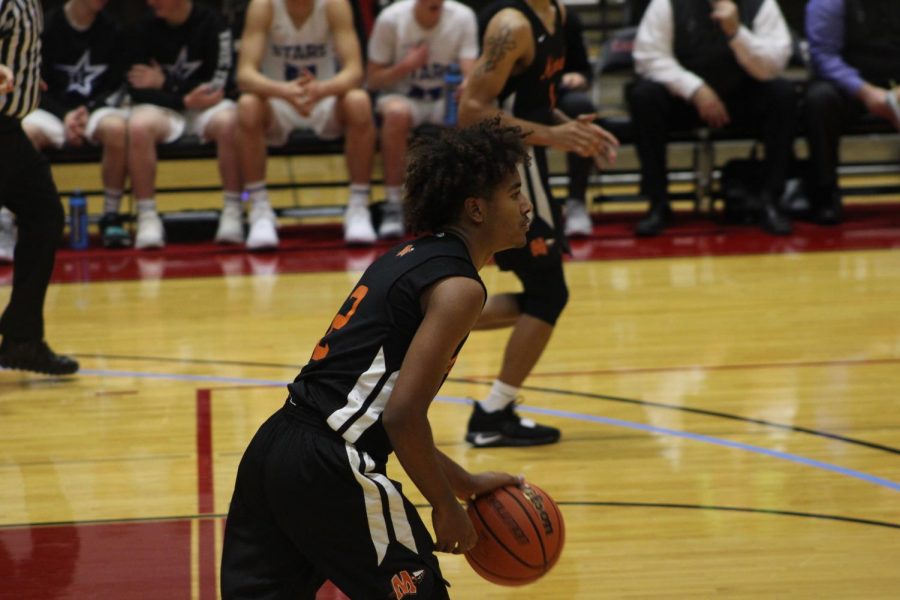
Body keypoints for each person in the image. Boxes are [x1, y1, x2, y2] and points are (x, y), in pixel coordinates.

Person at [221, 118, 526, 599]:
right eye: (514, 193)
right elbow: (403, 416)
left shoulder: (408, 254)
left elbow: (378, 415)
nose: (527, 206)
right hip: (331, 462)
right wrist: (446, 506)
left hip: (276, 448)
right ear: (476, 209)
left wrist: (464, 482)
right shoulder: (460, 288)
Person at [457, 0, 618, 447]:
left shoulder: (560, 15)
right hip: (503, 170)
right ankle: (492, 413)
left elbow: (533, 104)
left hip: (530, 165)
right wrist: (554, 135)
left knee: (545, 295)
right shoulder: (511, 25)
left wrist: (573, 128)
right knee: (549, 293)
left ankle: (426, 323)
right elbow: (471, 110)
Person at [627, 0, 795, 236]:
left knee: (783, 93)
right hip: (684, 100)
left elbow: (774, 65)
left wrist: (736, 32)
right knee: (643, 95)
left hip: (740, 98)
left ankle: (771, 201)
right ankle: (658, 203)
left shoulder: (761, 4)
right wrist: (696, 89)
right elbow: (648, 57)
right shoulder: (667, 4)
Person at [235, 0, 378, 246]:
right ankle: (260, 209)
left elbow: (355, 71)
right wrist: (284, 91)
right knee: (247, 105)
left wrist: (321, 89)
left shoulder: (335, 5)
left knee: (359, 101)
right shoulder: (263, 6)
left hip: (323, 97)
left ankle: (358, 206)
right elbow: (245, 74)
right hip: (279, 98)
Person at [0, 0, 79, 376]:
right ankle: (22, 337)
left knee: (45, 215)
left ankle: (22, 338)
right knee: (44, 215)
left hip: (8, 130)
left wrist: (29, 79)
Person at [126, 0, 243, 250]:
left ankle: (233, 211)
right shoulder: (143, 27)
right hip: (166, 108)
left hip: (206, 109)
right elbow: (137, 89)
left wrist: (165, 81)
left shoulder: (213, 23)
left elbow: (219, 84)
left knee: (230, 122)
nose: (151, 2)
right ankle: (147, 216)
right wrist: (181, 98)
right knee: (138, 126)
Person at [20, 0, 130, 250]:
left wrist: (86, 113)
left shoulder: (114, 29)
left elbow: (118, 85)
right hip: (51, 110)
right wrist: (65, 114)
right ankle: (33, 221)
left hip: (93, 111)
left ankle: (111, 216)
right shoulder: (45, 27)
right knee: (23, 134)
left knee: (117, 129)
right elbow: (33, 84)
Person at [366, 0, 479, 239]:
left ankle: (465, 203)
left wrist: (467, 84)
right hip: (403, 96)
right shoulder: (390, 19)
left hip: (444, 97)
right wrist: (406, 66)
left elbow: (470, 72)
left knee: (471, 110)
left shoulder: (463, 16)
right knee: (397, 114)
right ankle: (394, 204)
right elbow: (373, 80)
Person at [804, 0, 900, 225]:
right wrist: (866, 92)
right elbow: (824, 56)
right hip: (850, 85)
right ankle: (825, 194)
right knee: (819, 100)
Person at [558, 9, 600, 237]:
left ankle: (576, 201)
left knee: (581, 108)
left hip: (558, 95)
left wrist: (579, 78)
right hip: (517, 98)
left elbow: (583, 68)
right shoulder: (505, 17)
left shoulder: (567, 18)